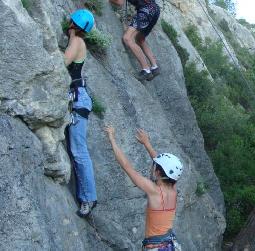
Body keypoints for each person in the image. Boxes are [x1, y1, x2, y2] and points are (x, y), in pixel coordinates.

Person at [105, 126, 182, 250]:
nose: (152, 167)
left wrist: (112, 138)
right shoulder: (173, 189)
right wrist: (146, 143)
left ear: (157, 172)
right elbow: (166, 168)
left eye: (154, 167)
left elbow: (127, 166)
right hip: (170, 245)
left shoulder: (154, 191)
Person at [64, 9, 97, 217]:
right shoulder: (78, 41)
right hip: (79, 99)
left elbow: (62, 63)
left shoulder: (76, 42)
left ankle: (88, 199)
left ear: (74, 24)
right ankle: (88, 196)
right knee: (78, 151)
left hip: (78, 101)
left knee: (79, 151)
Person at [109, 0, 161, 81]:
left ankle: (146, 70)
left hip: (146, 10)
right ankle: (155, 67)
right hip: (155, 9)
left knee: (127, 38)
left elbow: (120, 3)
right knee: (140, 39)